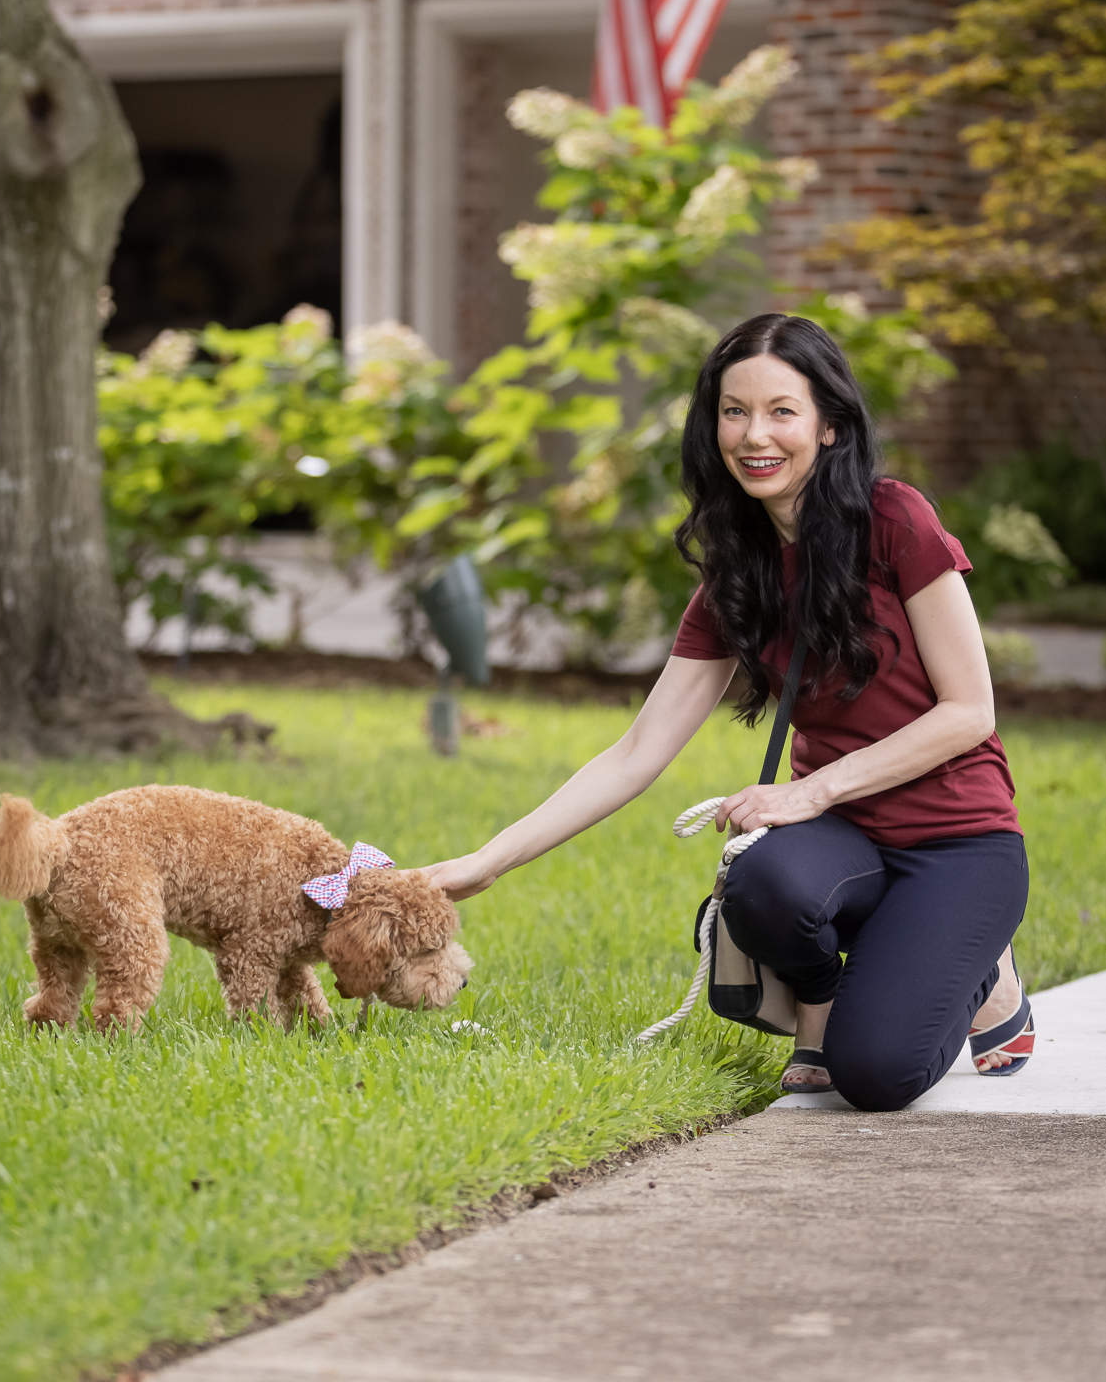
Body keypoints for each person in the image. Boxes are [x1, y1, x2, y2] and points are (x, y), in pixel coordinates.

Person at [423, 312, 1034, 1110]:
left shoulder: (894, 520)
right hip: (846, 839)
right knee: (762, 885)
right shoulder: (735, 574)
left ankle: (981, 968)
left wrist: (808, 792)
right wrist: (485, 862)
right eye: (733, 410)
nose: (755, 435)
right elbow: (635, 754)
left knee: (876, 1075)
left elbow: (968, 712)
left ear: (829, 426)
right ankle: (818, 998)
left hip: (958, 841)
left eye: (782, 411)